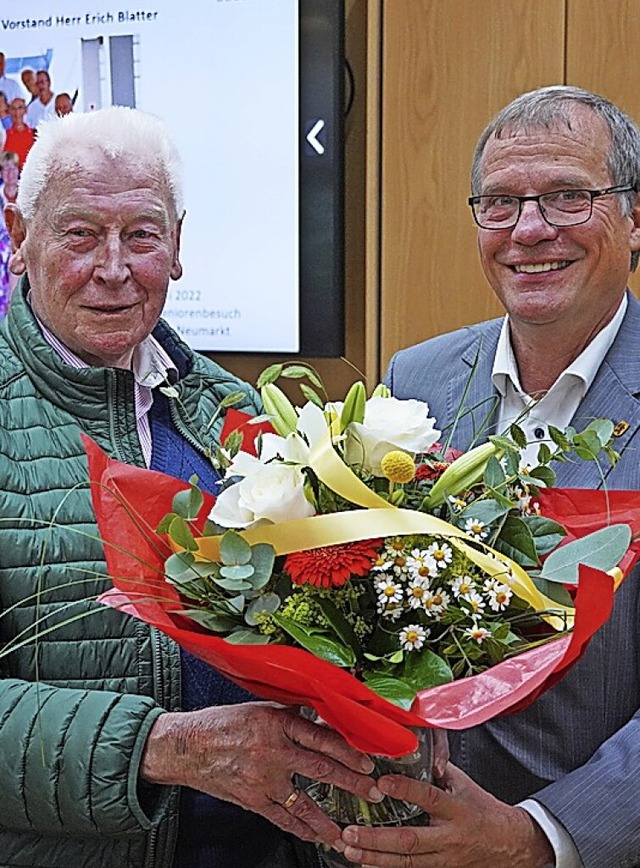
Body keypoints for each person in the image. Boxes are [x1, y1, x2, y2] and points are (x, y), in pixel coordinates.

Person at [0, 106, 383, 868]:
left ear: (177, 248)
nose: (114, 267)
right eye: (80, 234)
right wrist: (158, 748)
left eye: (142, 235)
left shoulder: (234, 413)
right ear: (20, 240)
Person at [340, 85, 640, 868]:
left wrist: (540, 837)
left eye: (569, 198)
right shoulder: (418, 379)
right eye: (500, 203)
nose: (529, 230)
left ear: (634, 218)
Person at [4, 97, 35, 168]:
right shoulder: (5, 135)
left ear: (26, 110)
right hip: (11, 176)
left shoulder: (34, 134)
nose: (17, 112)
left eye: (20, 108)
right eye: (13, 109)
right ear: (9, 111)